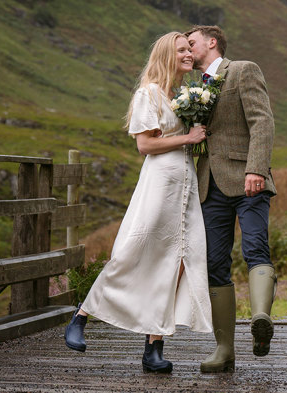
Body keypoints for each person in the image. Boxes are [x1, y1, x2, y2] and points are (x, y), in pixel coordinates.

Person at [64, 32, 212, 374]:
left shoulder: (182, 95)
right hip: (160, 183)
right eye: (182, 50)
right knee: (134, 249)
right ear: (166, 56)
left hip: (185, 186)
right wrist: (188, 137)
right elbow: (145, 145)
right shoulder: (150, 93)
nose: (189, 54)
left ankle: (154, 347)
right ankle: (81, 316)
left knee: (176, 261)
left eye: (190, 49)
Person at [185, 25, 277, 373]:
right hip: (209, 185)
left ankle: (261, 320)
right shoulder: (193, 88)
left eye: (191, 43)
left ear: (211, 42)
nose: (188, 49)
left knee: (255, 248)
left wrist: (256, 168)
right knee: (213, 264)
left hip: (248, 180)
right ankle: (224, 350)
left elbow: (262, 121)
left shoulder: (242, 70)